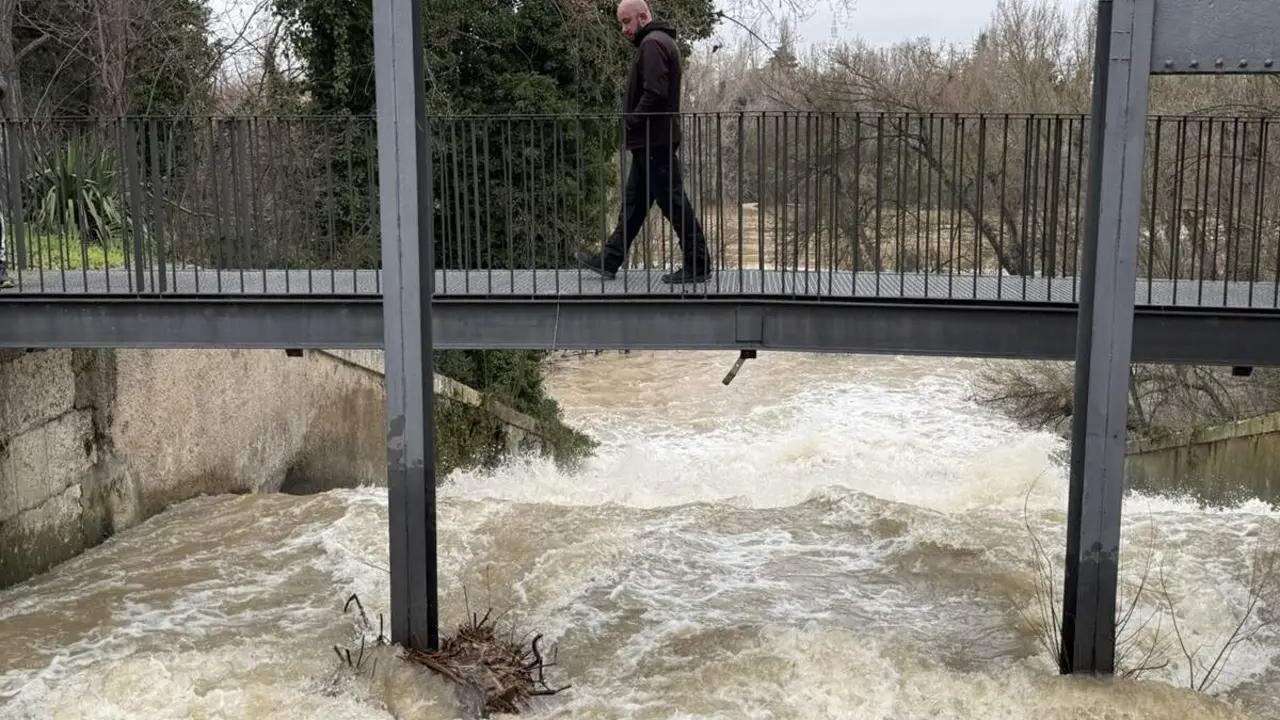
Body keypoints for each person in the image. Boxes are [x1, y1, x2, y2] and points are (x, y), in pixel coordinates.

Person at [575, 0, 711, 285]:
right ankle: (610, 259)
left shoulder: (652, 44)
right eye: (621, 23)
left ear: (643, 16)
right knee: (635, 204)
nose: (624, 29)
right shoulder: (659, 42)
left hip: (654, 139)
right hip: (652, 140)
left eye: (626, 21)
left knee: (673, 202)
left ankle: (698, 264)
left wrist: (632, 120)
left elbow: (655, 92)